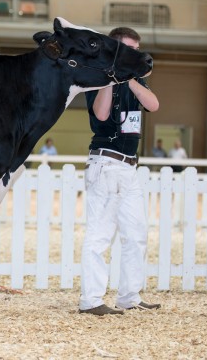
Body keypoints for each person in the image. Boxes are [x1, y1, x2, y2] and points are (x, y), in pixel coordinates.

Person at [79, 27, 161, 316]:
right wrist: (112, 79)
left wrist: (131, 77)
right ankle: (91, 300)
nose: (134, 54)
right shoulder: (98, 77)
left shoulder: (136, 80)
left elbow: (153, 105)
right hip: (106, 162)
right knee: (100, 234)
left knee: (136, 234)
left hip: (129, 166)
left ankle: (129, 296)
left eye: (136, 49)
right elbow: (101, 114)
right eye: (128, 48)